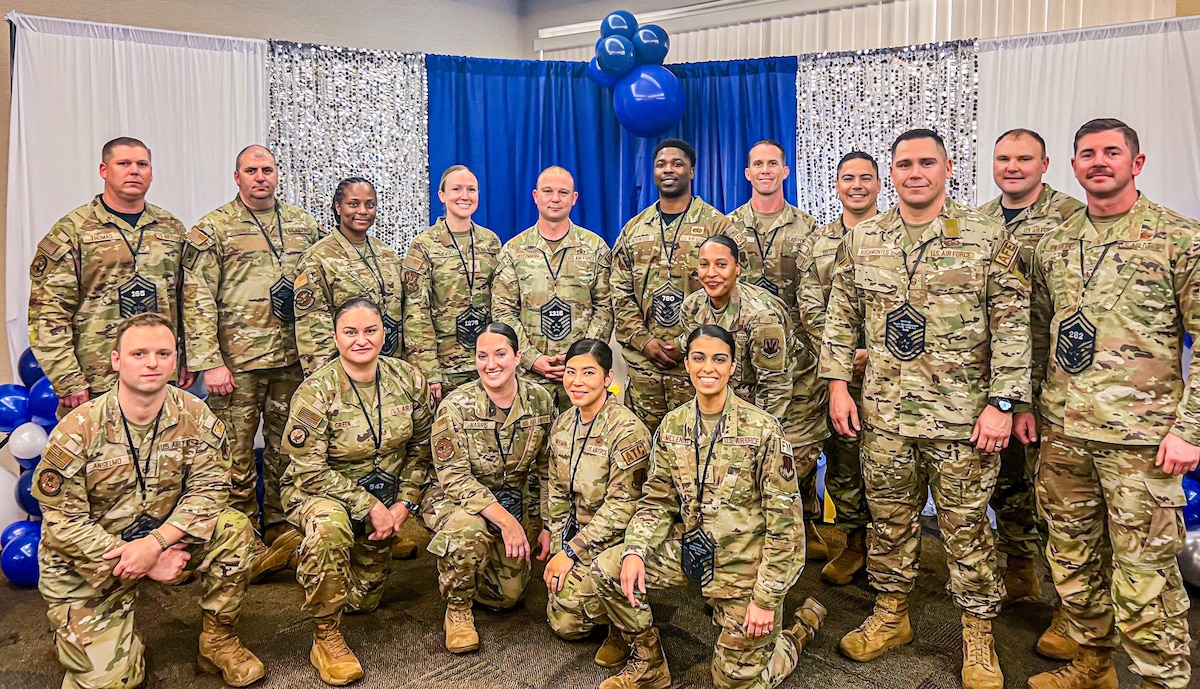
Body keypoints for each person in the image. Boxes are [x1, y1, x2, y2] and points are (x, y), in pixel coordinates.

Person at [821, 129, 1030, 689]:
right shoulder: (865, 239)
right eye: (904, 164)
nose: (915, 173)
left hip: (964, 421)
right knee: (889, 523)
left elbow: (1013, 326)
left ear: (948, 168)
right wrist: (838, 385)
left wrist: (1003, 403)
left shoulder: (986, 238)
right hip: (885, 414)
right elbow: (840, 317)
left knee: (966, 531)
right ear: (892, 172)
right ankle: (892, 614)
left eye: (926, 163)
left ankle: (978, 635)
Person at [1025, 118, 1196, 689]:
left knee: (1145, 575)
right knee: (1072, 563)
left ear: (1137, 163)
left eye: (1111, 152)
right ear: (1073, 166)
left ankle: (1160, 681)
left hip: (1141, 440)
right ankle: (1094, 666)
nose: (1099, 162)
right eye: (1087, 154)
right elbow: (1042, 333)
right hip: (1064, 432)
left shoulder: (1179, 238)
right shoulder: (1055, 242)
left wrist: (1190, 428)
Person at [32, 313, 263, 688]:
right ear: (116, 361)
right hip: (92, 562)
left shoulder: (195, 415)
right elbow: (63, 525)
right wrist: (140, 559)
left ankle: (218, 640)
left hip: (164, 539)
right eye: (139, 353)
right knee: (112, 682)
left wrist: (155, 545)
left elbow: (210, 490)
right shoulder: (77, 430)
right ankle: (116, 645)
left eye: (162, 353)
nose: (152, 363)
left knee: (233, 528)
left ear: (175, 361)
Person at [591, 324, 824, 689]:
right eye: (699, 358)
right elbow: (657, 500)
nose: (708, 368)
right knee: (608, 569)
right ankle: (649, 664)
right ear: (687, 364)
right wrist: (635, 550)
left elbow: (786, 528)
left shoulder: (763, 430)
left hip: (743, 565)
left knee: (732, 681)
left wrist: (765, 599)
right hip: (690, 551)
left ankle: (797, 632)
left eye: (719, 359)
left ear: (733, 366)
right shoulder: (673, 425)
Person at [182, 144, 322, 580]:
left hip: (292, 360)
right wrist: (208, 362)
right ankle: (242, 540)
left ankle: (283, 530)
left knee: (288, 449)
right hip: (237, 364)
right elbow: (196, 297)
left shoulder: (303, 225)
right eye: (251, 170)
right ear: (236, 177)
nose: (261, 177)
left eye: (267, 169)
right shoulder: (213, 230)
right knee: (234, 454)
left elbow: (319, 288)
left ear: (277, 174)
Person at [278, 297, 434, 685]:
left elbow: (422, 446)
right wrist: (369, 506)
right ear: (335, 337)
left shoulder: (407, 379)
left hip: (385, 500)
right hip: (321, 494)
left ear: (384, 334)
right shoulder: (317, 391)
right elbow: (308, 470)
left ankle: (294, 553)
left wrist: (405, 503)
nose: (361, 340)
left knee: (362, 601)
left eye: (370, 330)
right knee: (331, 529)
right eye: (351, 332)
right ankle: (326, 638)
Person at [976, 128, 1085, 612]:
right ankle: (1020, 568)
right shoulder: (978, 223)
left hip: (1056, 379)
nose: (1013, 167)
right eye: (1003, 158)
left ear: (1045, 165)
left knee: (1062, 500)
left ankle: (1072, 609)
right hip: (996, 376)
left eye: (1024, 158)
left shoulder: (1072, 221)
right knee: (1005, 480)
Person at [28, 137, 193, 408]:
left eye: (142, 164)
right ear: (104, 170)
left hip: (159, 376)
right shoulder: (73, 231)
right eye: (124, 163)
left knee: (162, 449)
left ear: (151, 172)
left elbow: (188, 301)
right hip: (95, 380)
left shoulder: (171, 228)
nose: (134, 171)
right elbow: (48, 312)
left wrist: (188, 357)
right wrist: (67, 379)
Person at [426, 322, 556, 654]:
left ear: (518, 357)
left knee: (508, 597)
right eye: (482, 356)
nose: (491, 364)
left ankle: (470, 564)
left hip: (511, 500)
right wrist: (508, 523)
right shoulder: (456, 406)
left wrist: (546, 524)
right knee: (468, 531)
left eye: (500, 354)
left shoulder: (541, 401)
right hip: (454, 499)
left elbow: (547, 469)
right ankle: (457, 608)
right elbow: (454, 478)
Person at [796, 150, 881, 585]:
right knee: (844, 457)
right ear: (837, 186)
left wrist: (877, 353)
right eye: (848, 178)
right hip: (837, 374)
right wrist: (843, 359)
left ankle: (890, 552)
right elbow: (810, 306)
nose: (857, 185)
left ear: (879, 184)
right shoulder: (819, 242)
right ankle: (852, 544)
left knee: (889, 463)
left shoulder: (894, 235)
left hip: (893, 374)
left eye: (865, 178)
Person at [541, 338, 651, 669]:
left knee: (569, 617)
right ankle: (603, 601)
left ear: (607, 378)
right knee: (563, 619)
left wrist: (571, 553)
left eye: (589, 373)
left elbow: (623, 508)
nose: (577, 381)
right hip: (579, 537)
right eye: (571, 372)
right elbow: (557, 492)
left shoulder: (626, 430)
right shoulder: (563, 423)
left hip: (618, 540)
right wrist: (558, 545)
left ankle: (624, 626)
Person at [611, 138, 733, 433]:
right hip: (644, 367)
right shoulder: (634, 228)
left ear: (691, 171)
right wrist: (643, 340)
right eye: (661, 164)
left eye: (677, 164)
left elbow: (729, 291)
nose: (669, 170)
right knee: (645, 449)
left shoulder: (717, 226)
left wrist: (685, 345)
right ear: (652, 172)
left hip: (698, 367)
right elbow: (618, 289)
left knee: (698, 447)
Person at [492, 166, 613, 411]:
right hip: (529, 378)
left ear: (574, 198)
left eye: (562, 192)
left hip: (582, 381)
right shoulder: (514, 250)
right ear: (536, 196)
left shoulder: (595, 248)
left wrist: (580, 358)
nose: (555, 199)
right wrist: (530, 358)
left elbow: (606, 307)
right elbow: (503, 311)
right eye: (548, 191)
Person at [403, 165, 501, 403]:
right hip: (446, 368)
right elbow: (416, 313)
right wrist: (429, 370)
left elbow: (502, 303)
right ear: (442, 196)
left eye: (471, 189)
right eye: (456, 189)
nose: (465, 196)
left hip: (488, 364)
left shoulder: (491, 242)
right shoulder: (423, 246)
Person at [294, 177, 405, 376]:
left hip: (389, 369)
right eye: (354, 204)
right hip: (344, 373)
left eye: (369, 205)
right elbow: (312, 330)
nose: (363, 211)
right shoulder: (317, 258)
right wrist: (326, 380)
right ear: (337, 207)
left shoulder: (387, 254)